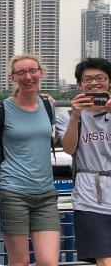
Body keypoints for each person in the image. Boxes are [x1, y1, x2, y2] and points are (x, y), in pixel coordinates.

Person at [0, 55, 59, 266]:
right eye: (21, 73)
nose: (28, 77)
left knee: (49, 262)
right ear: (12, 78)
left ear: (41, 73)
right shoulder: (1, 109)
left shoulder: (48, 105)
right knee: (20, 261)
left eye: (33, 71)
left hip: (46, 194)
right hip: (13, 193)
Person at [55, 57, 111, 265]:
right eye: (87, 79)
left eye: (100, 78)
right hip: (89, 196)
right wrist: (75, 118)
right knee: (104, 259)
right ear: (79, 84)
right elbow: (69, 148)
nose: (94, 83)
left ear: (109, 81)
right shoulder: (67, 115)